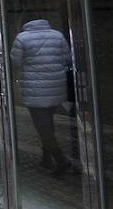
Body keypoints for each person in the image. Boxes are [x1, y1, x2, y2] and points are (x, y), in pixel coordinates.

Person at [10, 18, 72, 175]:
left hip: (35, 90)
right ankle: (45, 158)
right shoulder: (57, 35)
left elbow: (15, 61)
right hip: (56, 87)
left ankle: (60, 160)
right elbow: (68, 58)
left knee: (43, 127)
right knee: (47, 124)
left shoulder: (22, 38)